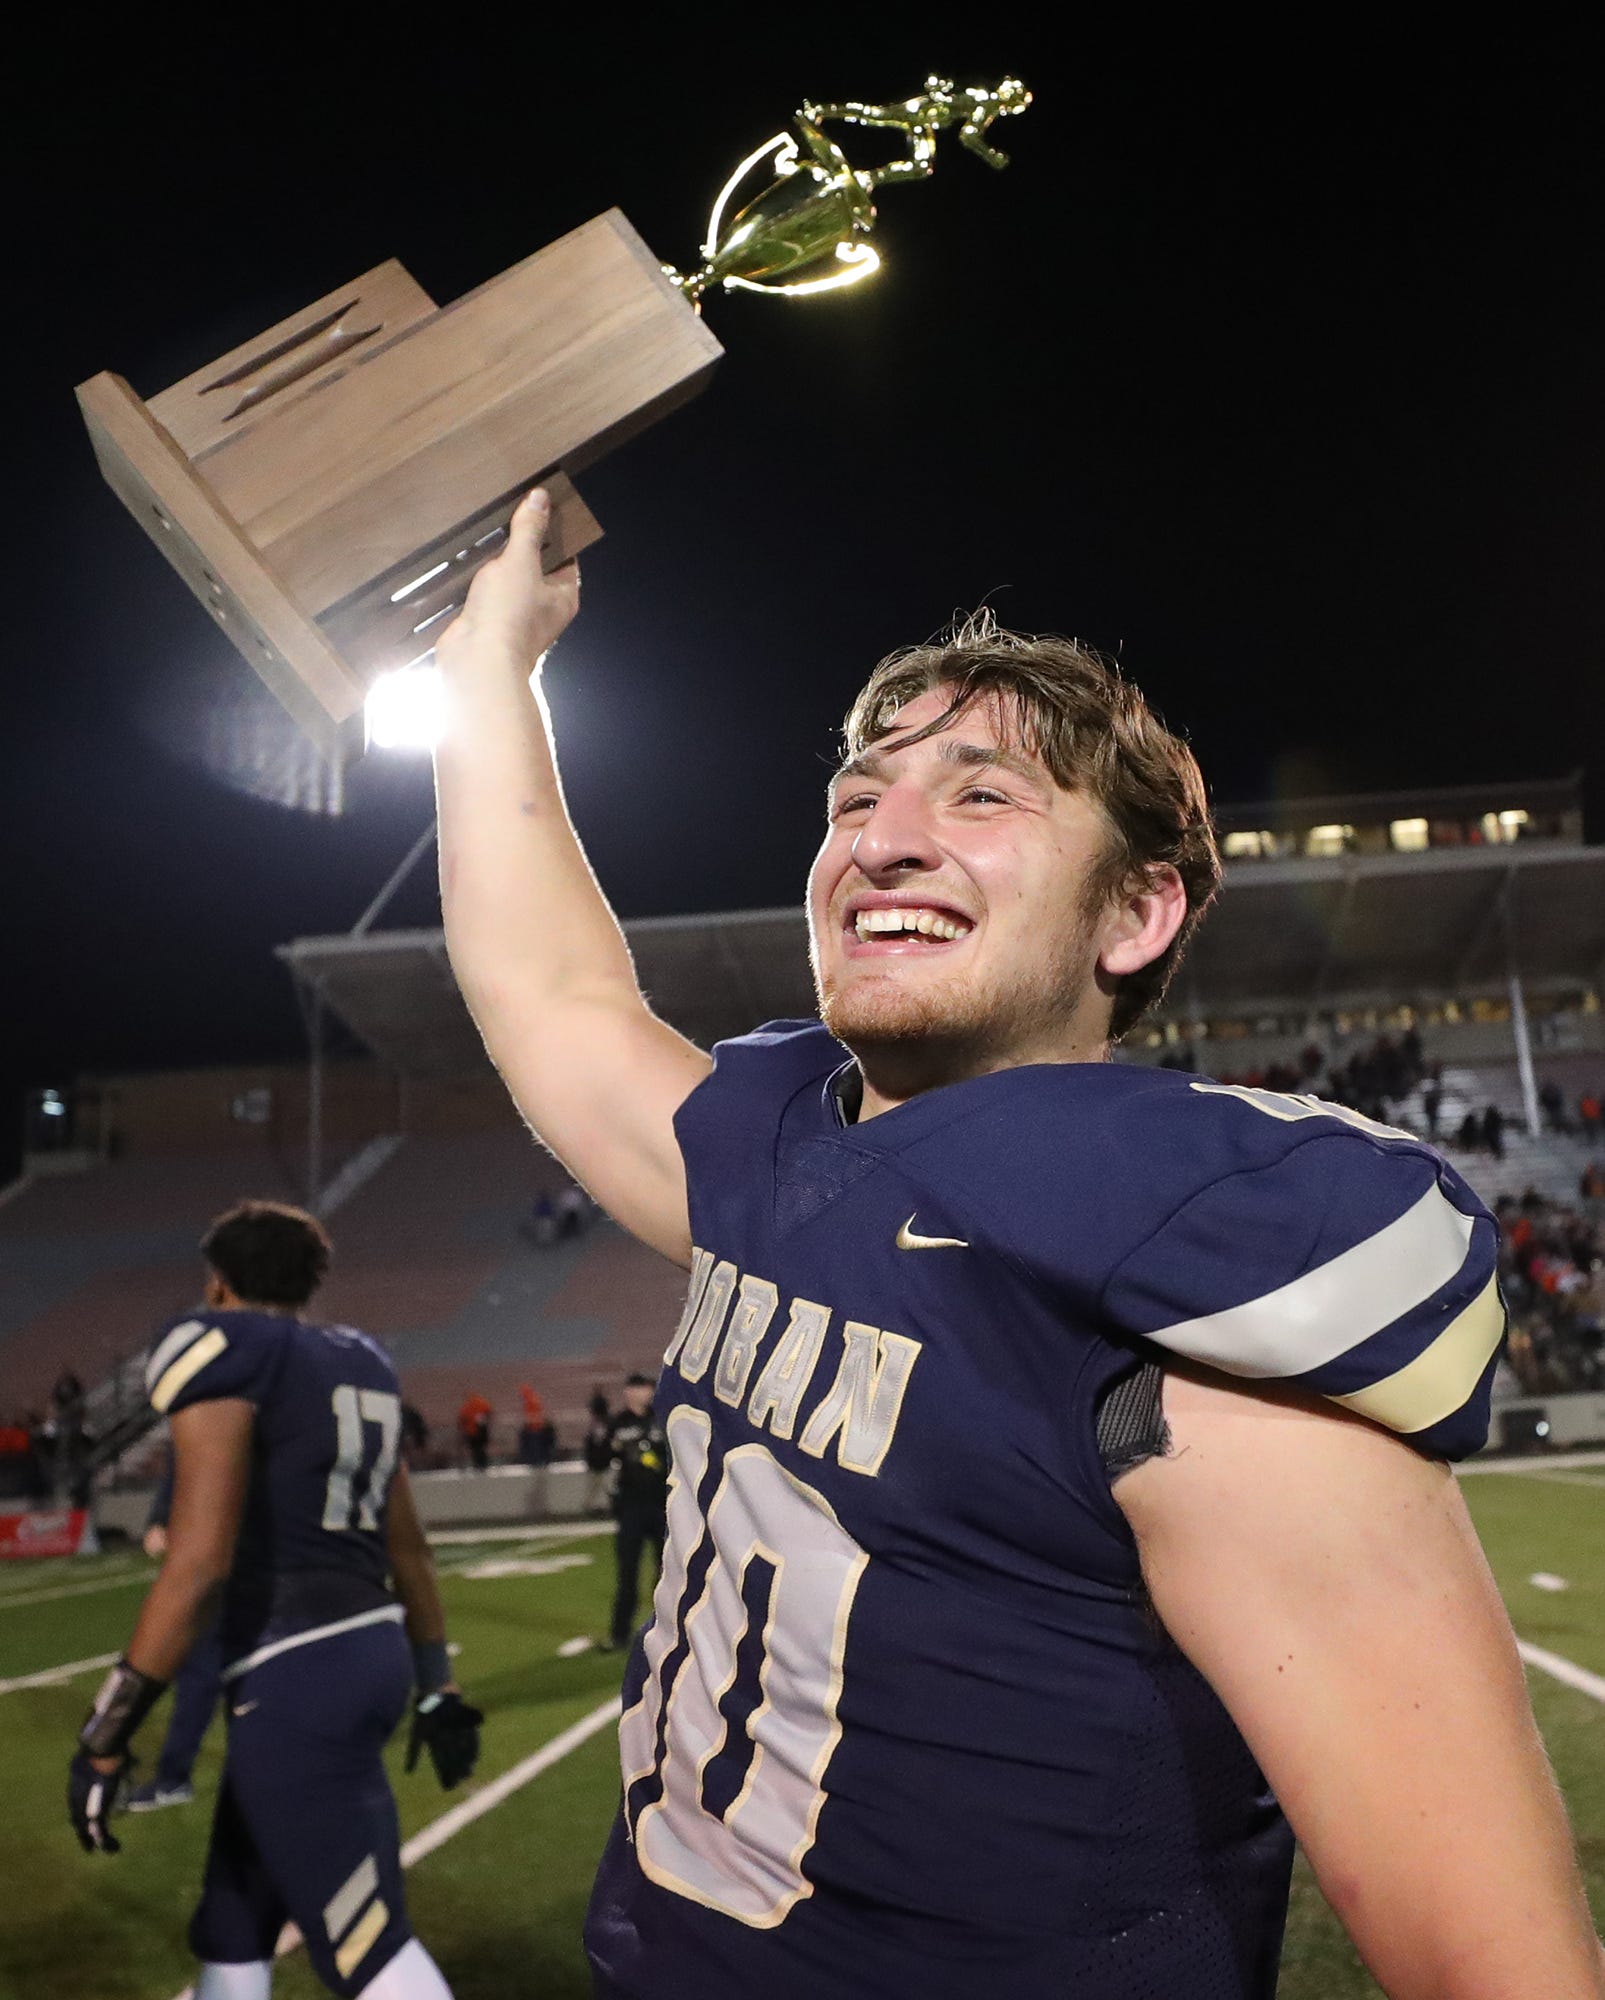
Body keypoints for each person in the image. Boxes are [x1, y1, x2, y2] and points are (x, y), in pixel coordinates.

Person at [432, 490, 1604, 1998]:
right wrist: (492, 668)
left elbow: (1495, 1971)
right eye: (857, 801)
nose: (885, 841)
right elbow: (551, 992)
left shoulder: (1191, 1316)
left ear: (1136, 916)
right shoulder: (781, 1149)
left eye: (981, 799)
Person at [67, 1200, 482, 2000]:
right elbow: (409, 1550)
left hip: (296, 1668)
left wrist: (105, 1734)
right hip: (370, 1651)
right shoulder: (360, 1358)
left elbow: (197, 1565)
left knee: (366, 1946)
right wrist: (439, 1684)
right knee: (233, 1925)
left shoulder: (225, 1348)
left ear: (216, 1286)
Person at [123, 1447, 224, 1812]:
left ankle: (173, 1778)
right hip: (240, 1554)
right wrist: (160, 1518)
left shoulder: (222, 1399)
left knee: (200, 1669)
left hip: (229, 1555)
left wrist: (163, 1516)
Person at [600, 1375, 668, 1653]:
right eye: (637, 1388)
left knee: (667, 1572)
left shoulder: (662, 1419)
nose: (642, 1393)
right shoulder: (617, 1424)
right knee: (627, 1573)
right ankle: (619, 1634)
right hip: (630, 1508)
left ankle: (668, 1630)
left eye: (645, 1388)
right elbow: (598, 1458)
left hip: (662, 1505)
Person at [582, 1390, 613, 1516]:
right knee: (599, 1486)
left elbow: (596, 1444)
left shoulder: (600, 1424)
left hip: (600, 1461)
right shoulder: (605, 1422)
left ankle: (593, 1508)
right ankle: (595, 1507)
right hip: (602, 1461)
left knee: (598, 1486)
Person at [456, 1392, 491, 1471]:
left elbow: (462, 1420)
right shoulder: (482, 1403)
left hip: (471, 1433)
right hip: (481, 1431)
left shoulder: (466, 1407)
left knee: (475, 1450)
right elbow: (488, 1413)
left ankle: (478, 1465)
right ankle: (483, 1465)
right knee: (481, 1449)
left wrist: (462, 1430)